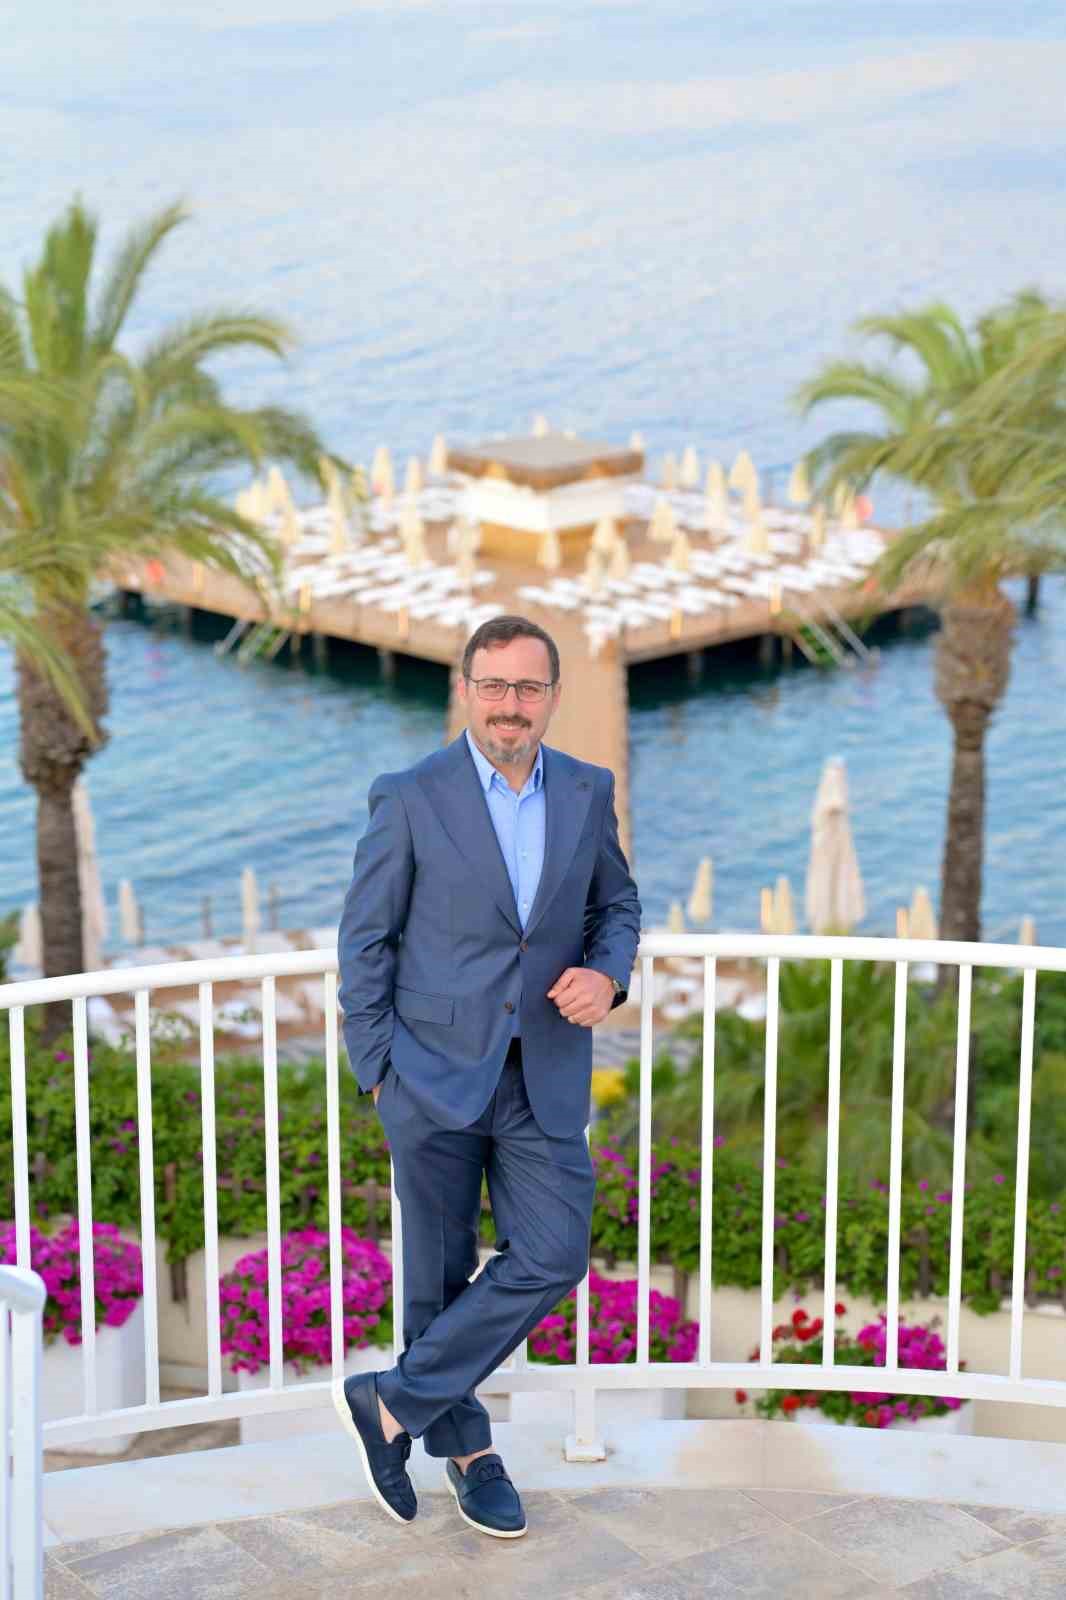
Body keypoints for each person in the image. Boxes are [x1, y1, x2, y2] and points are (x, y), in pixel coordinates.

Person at [334, 613, 641, 1538]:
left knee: (555, 1252)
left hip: (542, 1069)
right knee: (435, 1275)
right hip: (427, 1074)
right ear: (467, 689)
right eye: (496, 685)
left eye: (529, 687)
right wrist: (378, 1071)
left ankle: (391, 1403)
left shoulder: (587, 789)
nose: (512, 704)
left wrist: (608, 974)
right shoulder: (410, 795)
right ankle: (469, 1455)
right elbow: (365, 941)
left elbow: (617, 905)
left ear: (554, 696)